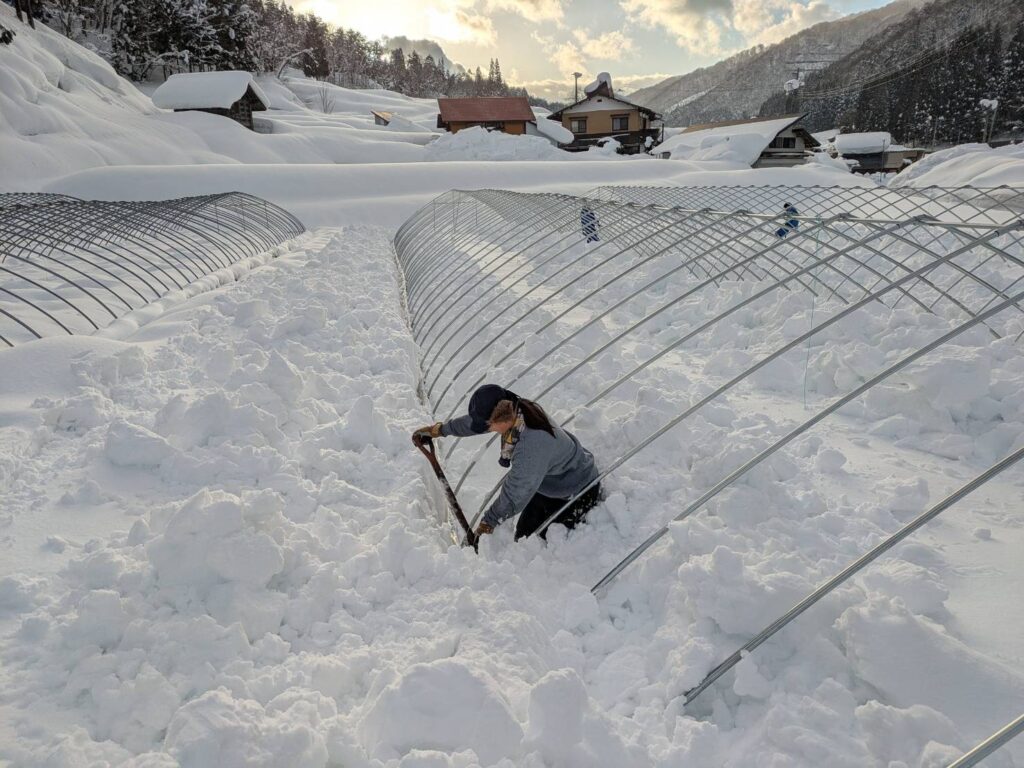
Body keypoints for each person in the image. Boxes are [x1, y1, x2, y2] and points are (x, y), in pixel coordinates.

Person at [412, 385, 601, 541]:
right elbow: (474, 423)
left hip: (578, 489)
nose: (487, 430)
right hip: (550, 481)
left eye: (488, 426)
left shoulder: (530, 445)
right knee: (524, 535)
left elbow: (514, 493)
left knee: (543, 544)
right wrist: (440, 430)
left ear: (499, 419)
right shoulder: (515, 409)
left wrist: (488, 523)